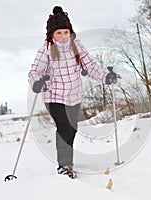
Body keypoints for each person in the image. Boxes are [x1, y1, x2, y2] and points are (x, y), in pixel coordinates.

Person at [28, 6, 118, 178]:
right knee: (64, 128)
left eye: (65, 32)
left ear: (70, 32)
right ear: (51, 35)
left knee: (72, 129)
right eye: (58, 33)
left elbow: (90, 66)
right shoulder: (45, 49)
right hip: (54, 96)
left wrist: (106, 77)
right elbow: (34, 72)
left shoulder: (77, 46)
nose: (63, 37)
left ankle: (67, 162)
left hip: (74, 95)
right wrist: (37, 82)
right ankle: (64, 165)